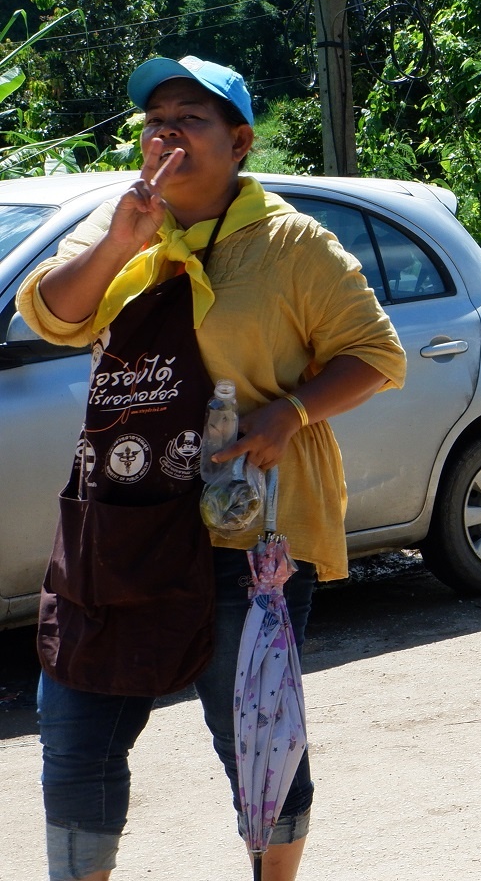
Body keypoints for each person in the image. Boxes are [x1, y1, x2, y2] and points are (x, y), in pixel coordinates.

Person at [20, 57, 407, 881]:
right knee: (75, 733)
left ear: (239, 142)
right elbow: (54, 315)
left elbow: (376, 355)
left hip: (246, 538)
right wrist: (119, 242)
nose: (166, 133)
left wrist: (290, 413)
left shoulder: (292, 244)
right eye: (154, 120)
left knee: (255, 733)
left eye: (189, 119)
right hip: (114, 533)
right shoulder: (123, 226)